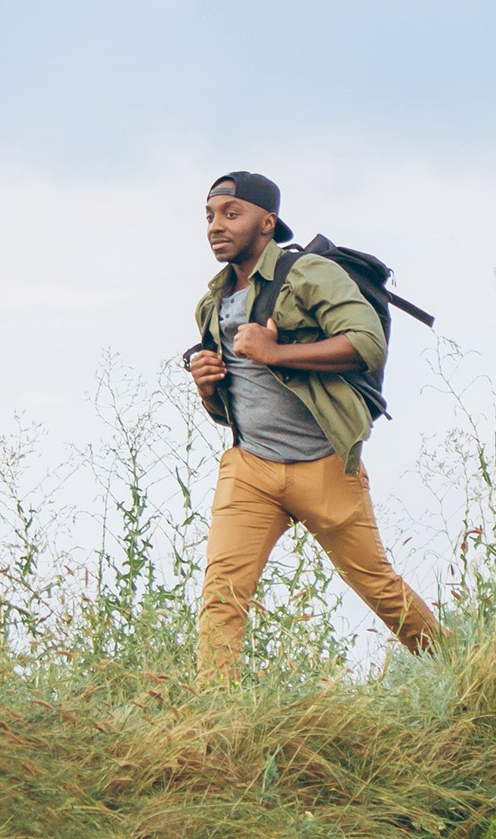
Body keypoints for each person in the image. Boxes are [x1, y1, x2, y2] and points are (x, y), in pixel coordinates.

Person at [186, 171, 444, 682]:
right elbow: (230, 407)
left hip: (324, 464)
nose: (216, 226)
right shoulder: (211, 303)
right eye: (210, 216)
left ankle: (462, 672)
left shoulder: (307, 274)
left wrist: (275, 350)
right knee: (222, 595)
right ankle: (213, 726)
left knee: (379, 589)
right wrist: (208, 386)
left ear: (267, 222)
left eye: (230, 214)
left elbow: (367, 343)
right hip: (250, 468)